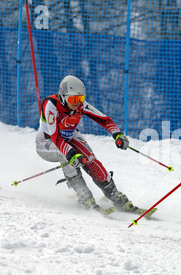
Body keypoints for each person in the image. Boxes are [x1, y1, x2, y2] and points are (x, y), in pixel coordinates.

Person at [35, 75, 137, 214]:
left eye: (81, 98)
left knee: (91, 160)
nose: (78, 103)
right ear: (64, 96)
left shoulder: (81, 106)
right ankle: (84, 196)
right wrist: (71, 154)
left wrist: (117, 134)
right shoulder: (51, 105)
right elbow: (56, 137)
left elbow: (105, 120)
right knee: (64, 153)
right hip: (47, 142)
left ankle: (114, 194)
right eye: (74, 99)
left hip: (70, 137)